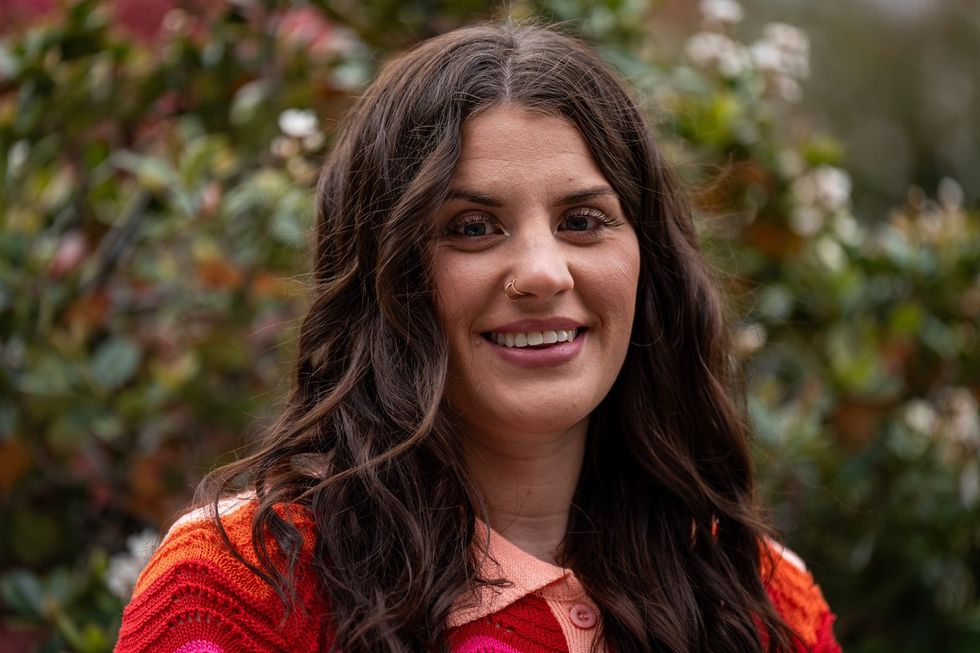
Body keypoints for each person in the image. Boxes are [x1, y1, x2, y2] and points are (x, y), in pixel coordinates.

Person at [114, 22, 841, 653]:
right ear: (384, 275)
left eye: (583, 220)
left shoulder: (762, 600)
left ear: (649, 260)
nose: (542, 272)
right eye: (471, 227)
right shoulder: (238, 589)